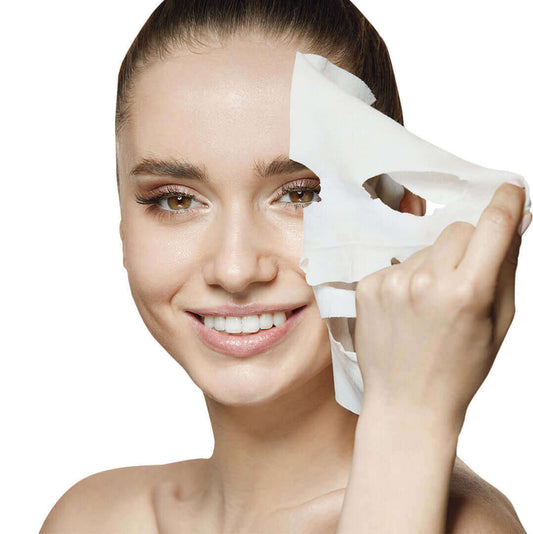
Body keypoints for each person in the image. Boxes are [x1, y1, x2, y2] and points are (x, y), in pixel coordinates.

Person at [40, 1, 530, 532]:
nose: (234, 269)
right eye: (176, 200)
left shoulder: (466, 525)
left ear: (400, 216)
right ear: (122, 224)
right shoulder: (92, 518)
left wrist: (411, 420)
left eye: (301, 194)